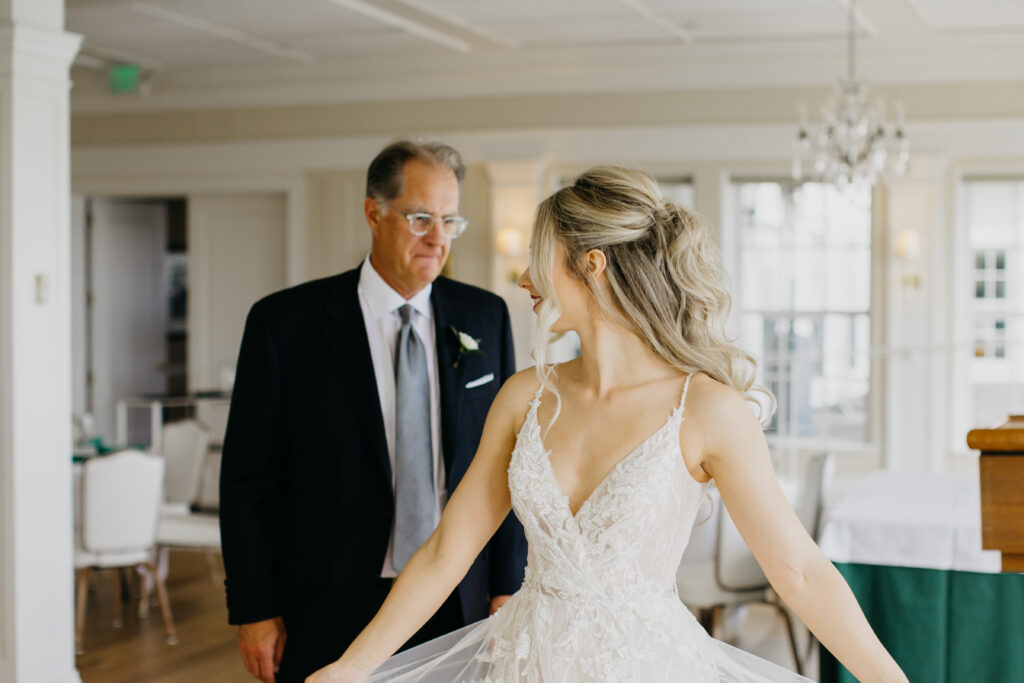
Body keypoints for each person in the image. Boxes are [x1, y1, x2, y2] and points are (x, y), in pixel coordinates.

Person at [307, 166, 908, 682]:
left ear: (591, 265)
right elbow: (445, 551)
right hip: (525, 663)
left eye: (537, 261)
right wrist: (352, 668)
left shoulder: (706, 409)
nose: (523, 281)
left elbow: (800, 572)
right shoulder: (524, 397)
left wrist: (888, 678)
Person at [219, 140, 528, 683]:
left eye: (450, 221)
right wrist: (254, 609)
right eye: (420, 218)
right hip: (325, 597)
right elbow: (248, 481)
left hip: (459, 598)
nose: (438, 239)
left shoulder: (485, 316)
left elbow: (507, 462)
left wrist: (507, 585)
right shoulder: (284, 325)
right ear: (373, 212)